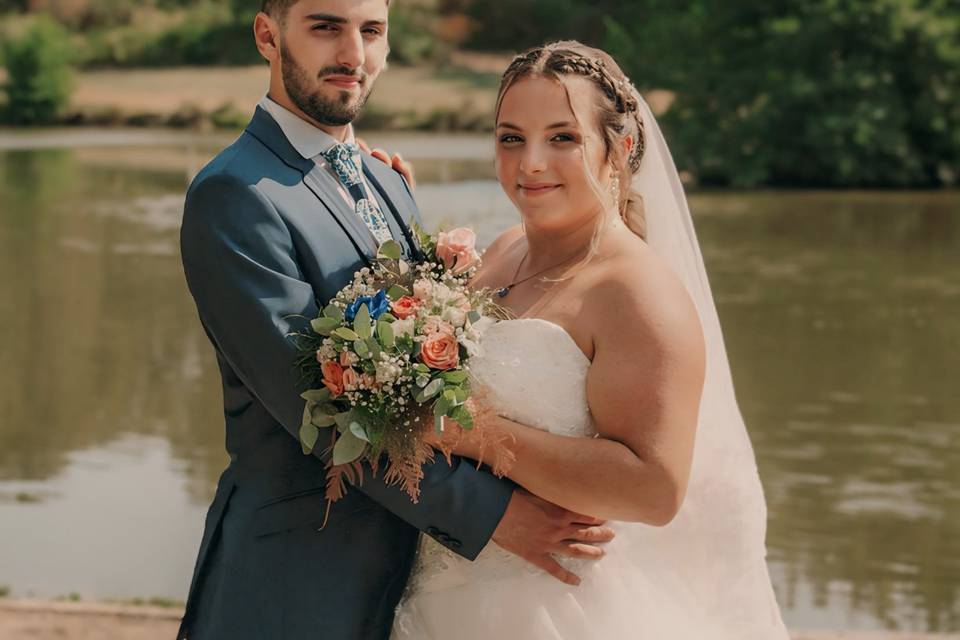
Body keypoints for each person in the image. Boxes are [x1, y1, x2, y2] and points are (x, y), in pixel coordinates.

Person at [176, 3, 613, 639]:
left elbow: (423, 363)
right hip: (296, 578)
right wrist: (496, 517)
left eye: (371, 31)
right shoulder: (236, 196)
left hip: (410, 573)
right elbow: (314, 409)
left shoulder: (385, 180)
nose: (353, 54)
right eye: (326, 27)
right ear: (268, 35)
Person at [390, 41, 791, 640]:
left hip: (548, 606)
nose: (530, 163)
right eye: (510, 138)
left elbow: (655, 489)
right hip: (438, 588)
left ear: (619, 149)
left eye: (562, 138)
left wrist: (473, 434)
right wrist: (387, 210)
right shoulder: (501, 253)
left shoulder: (636, 292)